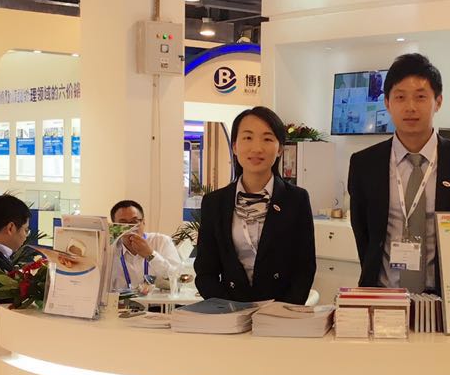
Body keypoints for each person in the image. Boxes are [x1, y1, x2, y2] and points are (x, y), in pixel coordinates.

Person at [348, 53, 450, 290]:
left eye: (421, 97)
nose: (410, 107)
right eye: (400, 97)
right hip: (383, 293)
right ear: (387, 103)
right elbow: (363, 234)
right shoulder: (365, 163)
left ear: (438, 102)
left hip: (448, 296)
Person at [195, 106, 316, 304]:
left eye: (267, 139)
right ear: (235, 146)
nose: (257, 148)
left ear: (280, 148)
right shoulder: (214, 203)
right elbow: (205, 272)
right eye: (248, 137)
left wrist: (282, 312)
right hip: (229, 310)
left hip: (279, 312)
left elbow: (304, 268)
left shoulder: (296, 199)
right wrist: (229, 308)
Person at [110, 199, 182, 294]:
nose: (130, 228)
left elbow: (177, 278)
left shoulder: (161, 241)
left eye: (134, 222)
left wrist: (150, 255)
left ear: (143, 222)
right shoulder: (109, 250)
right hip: (121, 302)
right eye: (123, 223)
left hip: (158, 302)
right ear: (114, 227)